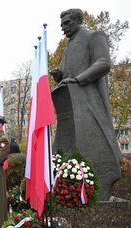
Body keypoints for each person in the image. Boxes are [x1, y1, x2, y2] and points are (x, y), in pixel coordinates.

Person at [51, 9, 121, 200]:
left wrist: (78, 79)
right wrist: (59, 75)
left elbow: (104, 63)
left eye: (67, 23)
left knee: (95, 141)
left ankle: (100, 183)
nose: (63, 27)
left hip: (90, 103)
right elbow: (67, 76)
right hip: (72, 105)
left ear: (78, 21)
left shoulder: (94, 37)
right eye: (62, 24)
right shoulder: (68, 49)